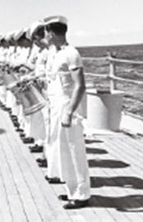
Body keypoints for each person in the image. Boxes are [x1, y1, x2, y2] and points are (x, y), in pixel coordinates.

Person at [42, 15, 90, 209]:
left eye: (46, 32)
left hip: (67, 106)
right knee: (63, 151)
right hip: (56, 106)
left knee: (75, 150)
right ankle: (73, 191)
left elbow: (80, 86)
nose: (45, 36)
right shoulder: (56, 53)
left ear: (52, 33)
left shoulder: (72, 53)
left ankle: (83, 194)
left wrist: (70, 111)